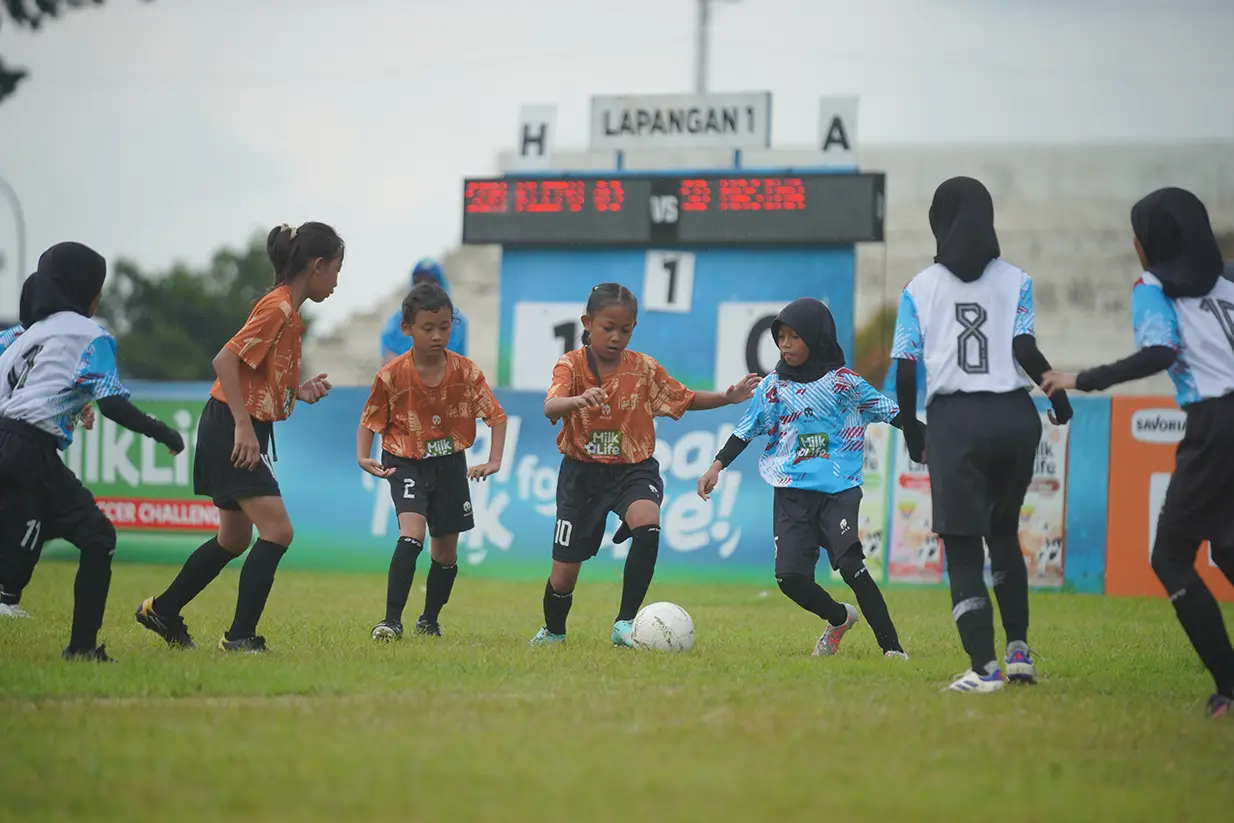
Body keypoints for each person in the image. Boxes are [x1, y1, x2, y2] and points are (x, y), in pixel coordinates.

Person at [1042, 187, 1234, 719]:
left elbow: (1161, 350)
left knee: (1170, 557)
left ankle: (1229, 688)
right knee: (1225, 549)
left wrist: (1083, 378)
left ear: (1144, 244)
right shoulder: (1229, 278)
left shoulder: (1152, 286)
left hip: (1215, 423)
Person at [889, 176, 1072, 693]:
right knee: (1003, 535)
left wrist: (910, 430)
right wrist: (1057, 397)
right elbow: (1025, 349)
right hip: (1016, 418)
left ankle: (983, 668)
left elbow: (906, 367)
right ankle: (1019, 653)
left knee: (964, 546)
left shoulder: (919, 288)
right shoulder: (1018, 279)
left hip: (957, 421)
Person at [135, 222, 342, 653]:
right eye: (337, 270)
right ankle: (240, 636)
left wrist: (297, 393)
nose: (338, 282)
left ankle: (163, 610)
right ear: (317, 265)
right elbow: (224, 360)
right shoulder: (279, 308)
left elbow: (254, 374)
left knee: (233, 539)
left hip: (234, 423)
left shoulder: (288, 310)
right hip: (233, 426)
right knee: (278, 531)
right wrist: (244, 427)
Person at [530, 282, 760, 648]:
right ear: (587, 322)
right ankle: (554, 631)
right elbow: (550, 406)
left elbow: (683, 398)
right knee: (563, 576)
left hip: (633, 469)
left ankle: (625, 624)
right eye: (608, 328)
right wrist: (578, 400)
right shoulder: (571, 365)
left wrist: (727, 398)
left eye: (626, 329)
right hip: (581, 476)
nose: (617, 337)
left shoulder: (643, 368)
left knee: (648, 522)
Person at [697, 297, 916, 659]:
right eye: (780, 336)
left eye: (794, 336)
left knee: (850, 566)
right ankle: (839, 618)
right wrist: (716, 466)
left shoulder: (844, 383)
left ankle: (892, 648)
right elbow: (746, 430)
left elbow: (891, 413)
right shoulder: (773, 387)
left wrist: (933, 435)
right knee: (790, 579)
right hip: (791, 494)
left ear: (817, 337)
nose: (785, 344)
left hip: (838, 489)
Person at [0, 242, 184, 658]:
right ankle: (82, 649)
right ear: (89, 292)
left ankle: (11, 589)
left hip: (6, 437)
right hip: (32, 447)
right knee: (97, 536)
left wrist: (69, 401)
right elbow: (114, 404)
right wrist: (163, 434)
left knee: (36, 524)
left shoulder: (24, 334)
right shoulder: (93, 335)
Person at [358, 281, 507, 641]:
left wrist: (494, 460)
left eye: (445, 327)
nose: (438, 335)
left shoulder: (466, 372)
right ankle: (391, 621)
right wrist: (363, 455)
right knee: (413, 533)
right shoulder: (392, 374)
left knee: (445, 553)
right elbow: (370, 419)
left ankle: (429, 620)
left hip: (450, 464)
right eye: (428, 328)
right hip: (405, 461)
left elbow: (496, 418)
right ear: (407, 328)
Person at [380, 258, 467, 363]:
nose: (424, 288)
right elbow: (387, 357)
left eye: (430, 282)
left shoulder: (456, 321)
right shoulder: (397, 320)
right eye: (418, 282)